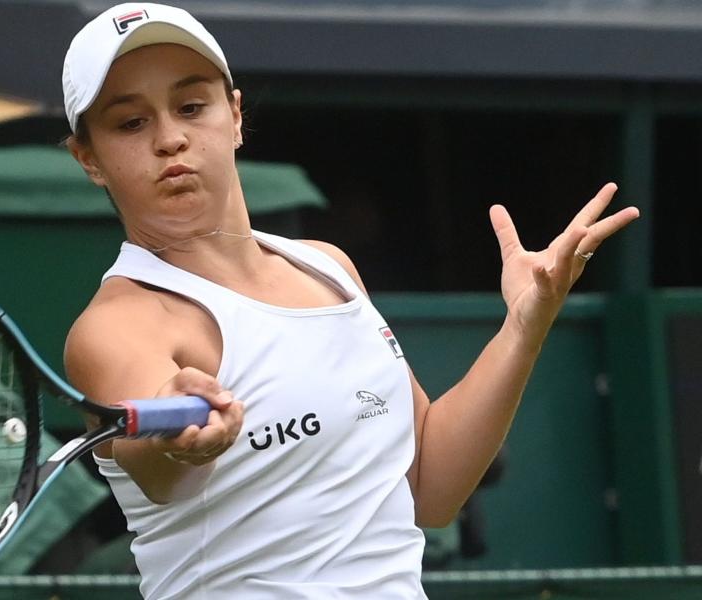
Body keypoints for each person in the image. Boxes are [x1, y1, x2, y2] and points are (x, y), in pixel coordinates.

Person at [60, 3, 640, 597]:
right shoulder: (117, 328)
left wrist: (523, 327)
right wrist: (178, 438)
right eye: (130, 123)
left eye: (191, 106)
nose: (170, 138)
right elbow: (153, 459)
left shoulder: (328, 266)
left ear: (234, 116)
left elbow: (431, 486)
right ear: (89, 160)